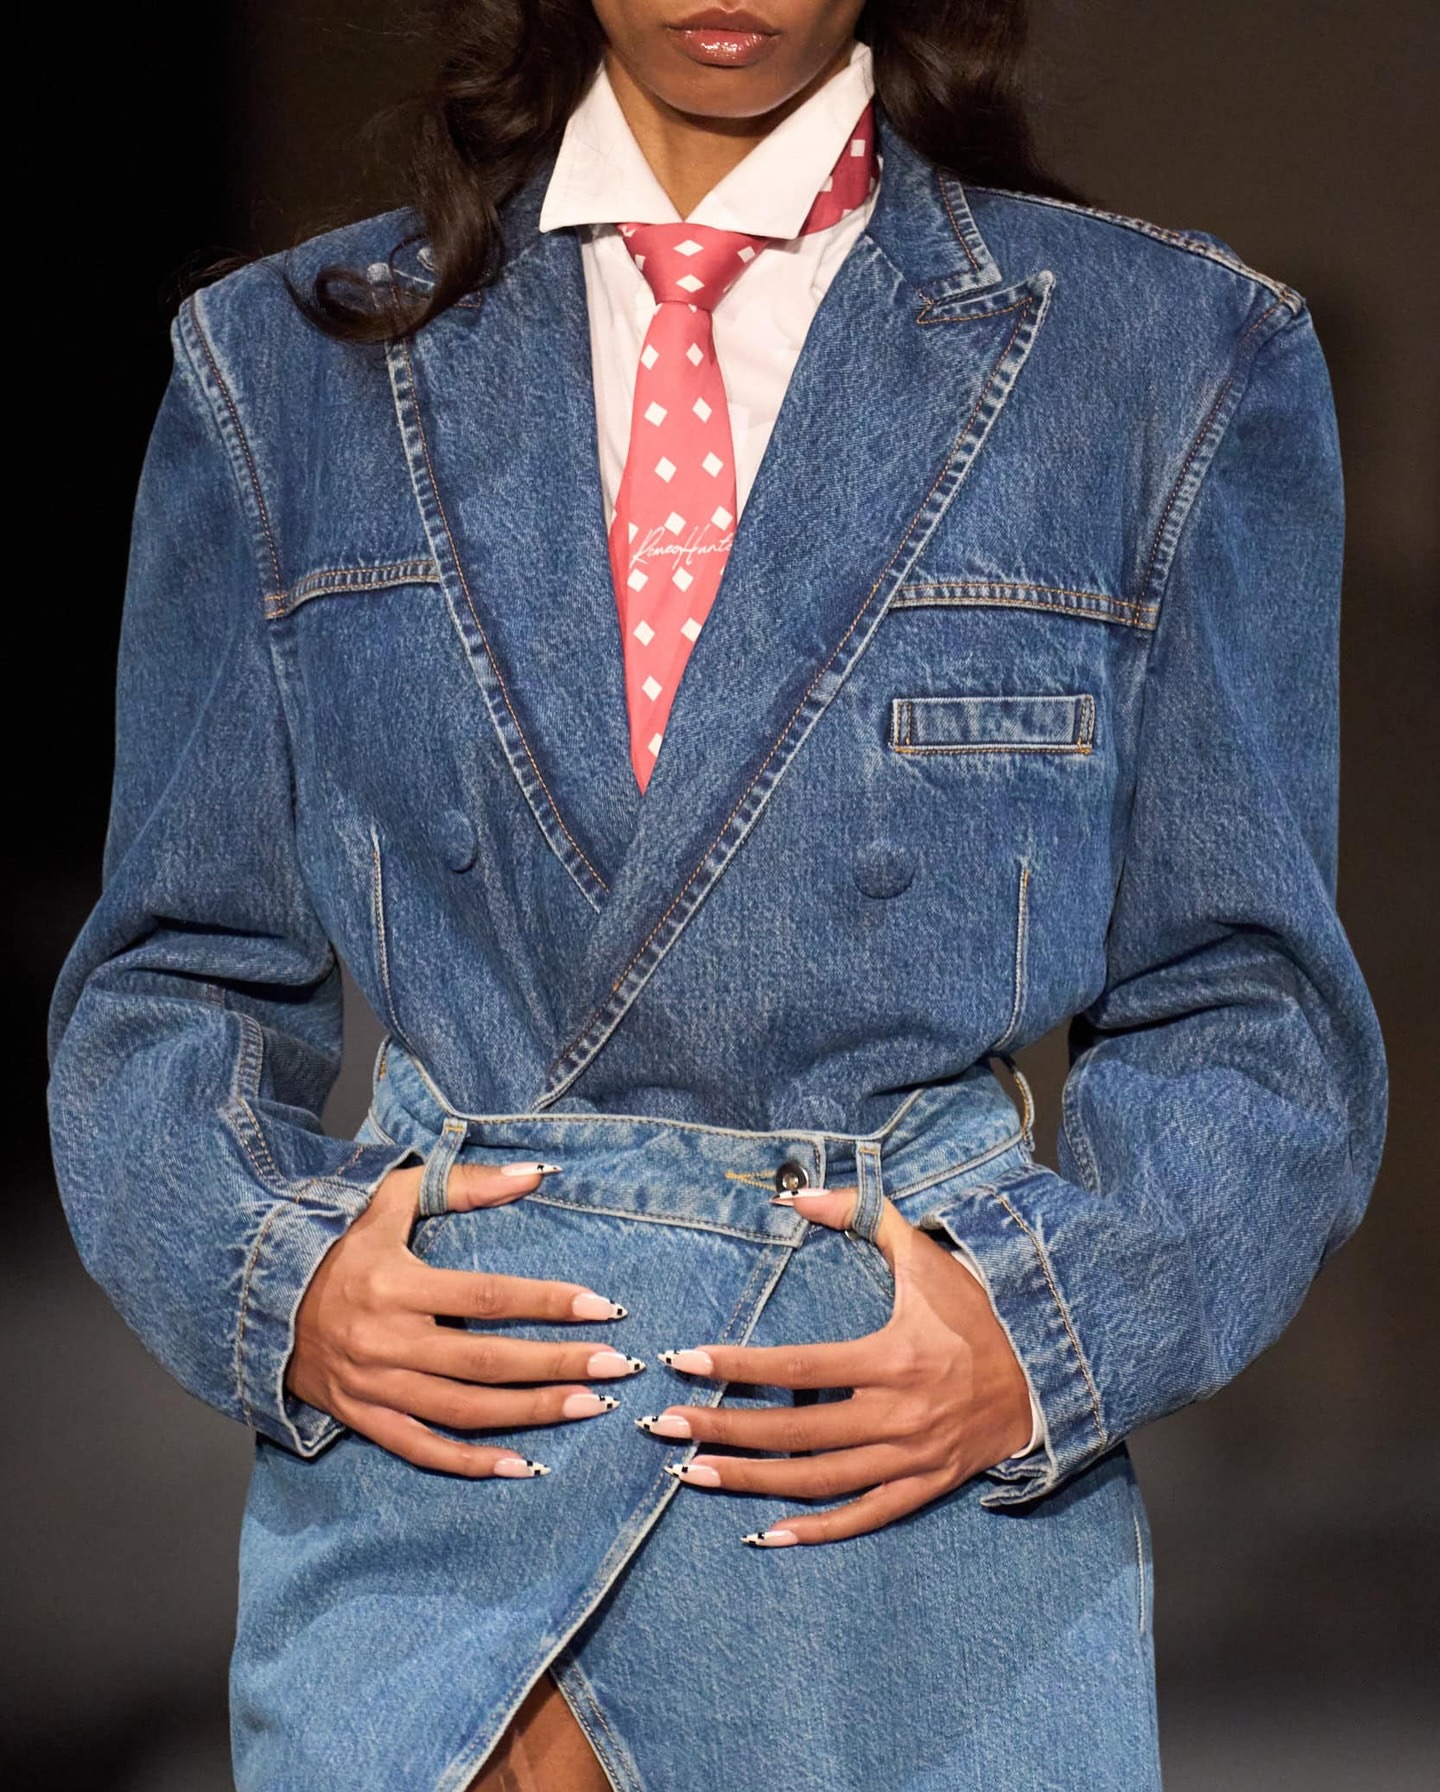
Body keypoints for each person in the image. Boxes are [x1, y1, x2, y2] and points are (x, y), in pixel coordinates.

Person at [46, 3, 1388, 1789]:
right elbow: (169, 976)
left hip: (900, 1487)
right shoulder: (289, 366)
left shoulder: (1157, 357)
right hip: (450, 1482)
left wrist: (1045, 1330)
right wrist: (275, 1276)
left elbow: (1256, 1005)